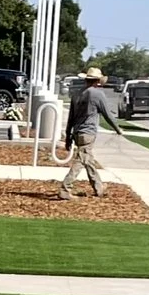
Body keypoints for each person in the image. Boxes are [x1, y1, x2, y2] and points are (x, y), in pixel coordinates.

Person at [58, 66, 125, 198]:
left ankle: (98, 187)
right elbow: (107, 114)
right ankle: (65, 189)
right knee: (81, 160)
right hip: (88, 132)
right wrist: (118, 129)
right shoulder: (97, 94)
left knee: (88, 161)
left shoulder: (77, 94)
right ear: (97, 81)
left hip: (77, 132)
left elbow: (70, 117)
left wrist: (68, 137)